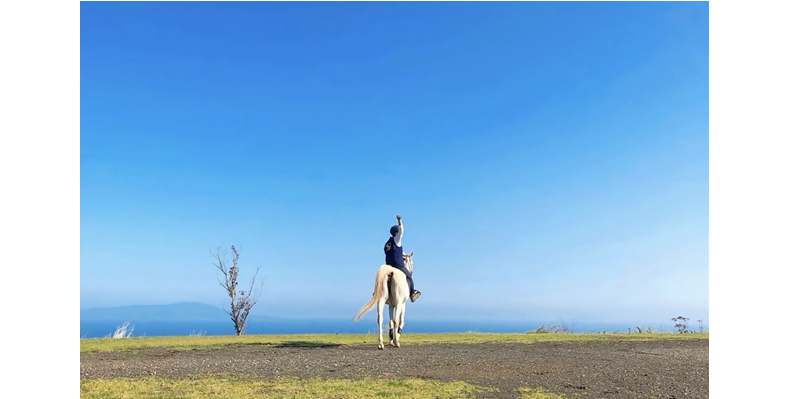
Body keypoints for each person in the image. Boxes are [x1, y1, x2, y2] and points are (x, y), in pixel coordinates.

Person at [384, 214, 421, 302]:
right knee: (409, 276)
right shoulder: (397, 239)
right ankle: (412, 293)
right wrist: (399, 221)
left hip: (388, 265)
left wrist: (401, 254)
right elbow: (402, 231)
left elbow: (392, 252)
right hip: (397, 265)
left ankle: (377, 293)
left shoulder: (387, 244)